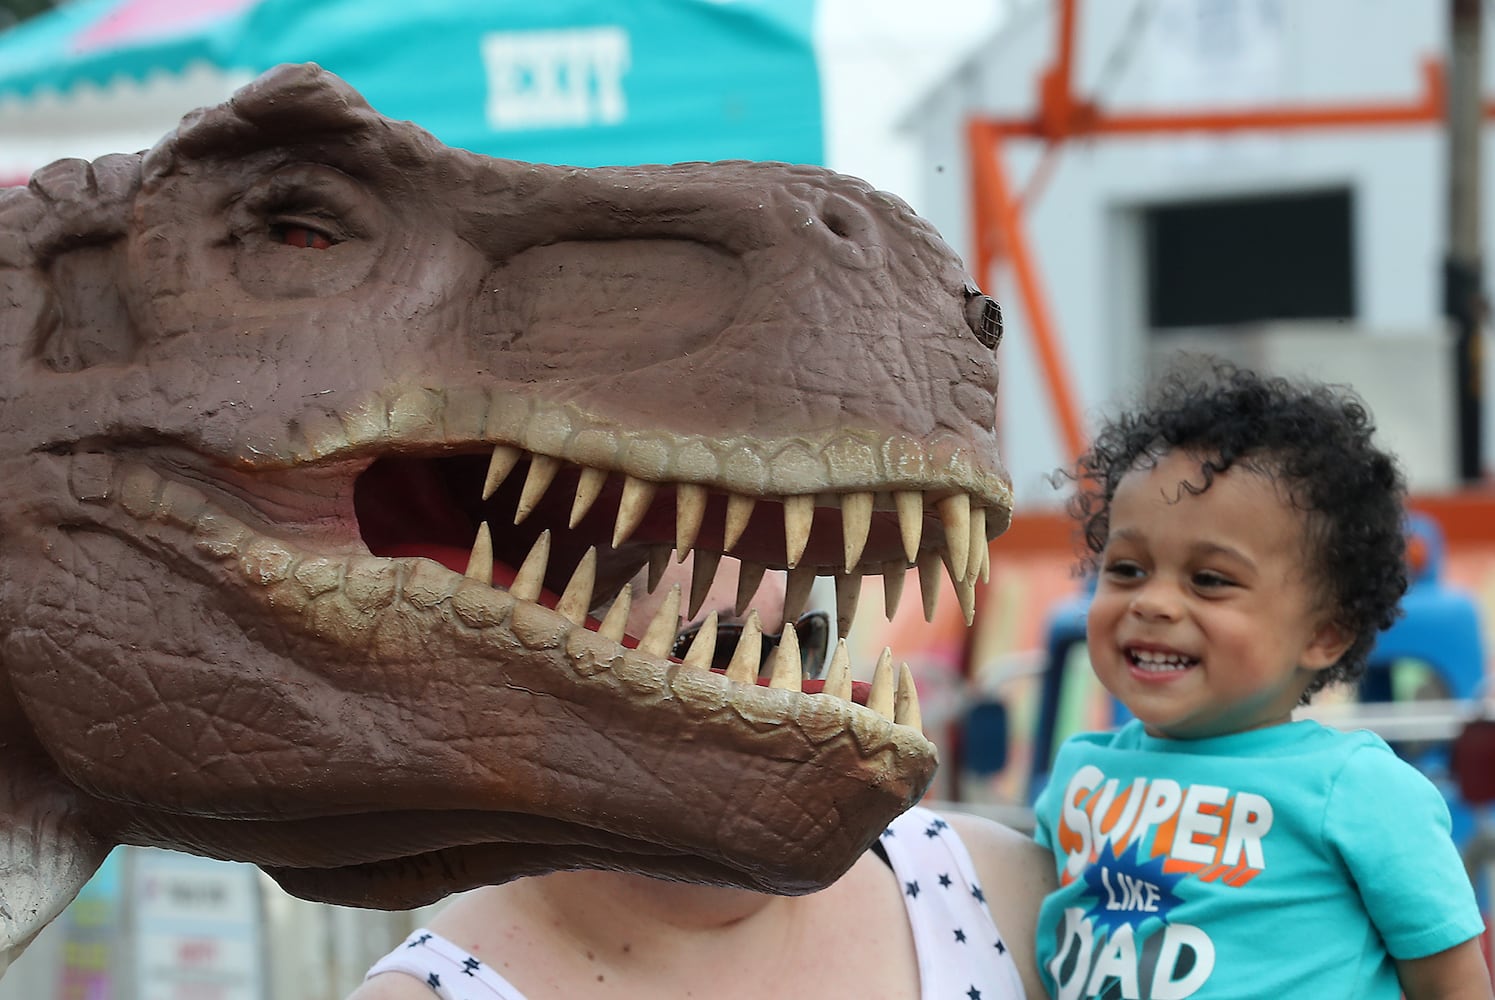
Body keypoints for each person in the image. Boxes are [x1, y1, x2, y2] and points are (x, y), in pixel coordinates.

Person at [349, 557, 1054, 1000]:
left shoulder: (990, 887)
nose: (776, 700)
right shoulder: (435, 991)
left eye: (790, 648)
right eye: (712, 658)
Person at [1035, 361, 1491, 999]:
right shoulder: (1077, 777)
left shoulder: (1356, 789)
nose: (1154, 603)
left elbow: (1452, 984)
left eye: (1211, 580)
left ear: (1324, 633)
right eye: (1128, 569)